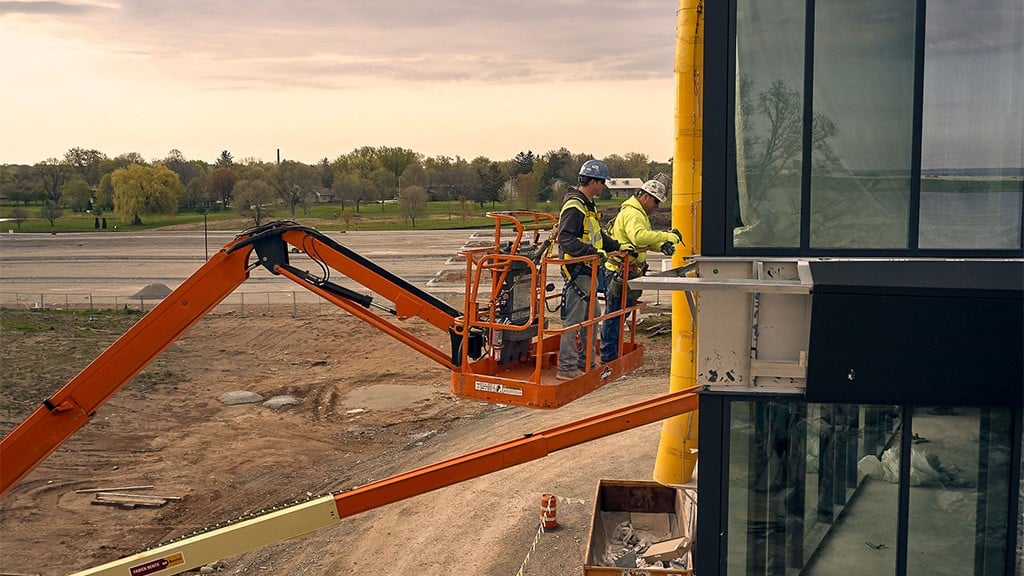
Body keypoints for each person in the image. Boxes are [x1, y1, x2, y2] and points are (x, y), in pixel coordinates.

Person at [599, 178, 682, 363]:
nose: (657, 207)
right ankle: (608, 357)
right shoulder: (634, 214)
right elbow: (638, 237)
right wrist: (667, 235)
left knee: (620, 314)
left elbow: (640, 242)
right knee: (615, 315)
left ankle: (612, 354)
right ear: (645, 197)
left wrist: (661, 246)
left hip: (627, 271)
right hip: (619, 272)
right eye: (656, 201)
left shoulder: (637, 213)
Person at [555, 159, 621, 381]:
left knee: (592, 316)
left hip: (588, 269)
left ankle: (585, 362)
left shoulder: (586, 206)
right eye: (601, 182)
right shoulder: (575, 206)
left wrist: (618, 247)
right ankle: (566, 368)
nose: (603, 187)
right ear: (592, 181)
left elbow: (598, 235)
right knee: (574, 321)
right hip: (577, 271)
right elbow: (565, 238)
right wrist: (590, 251)